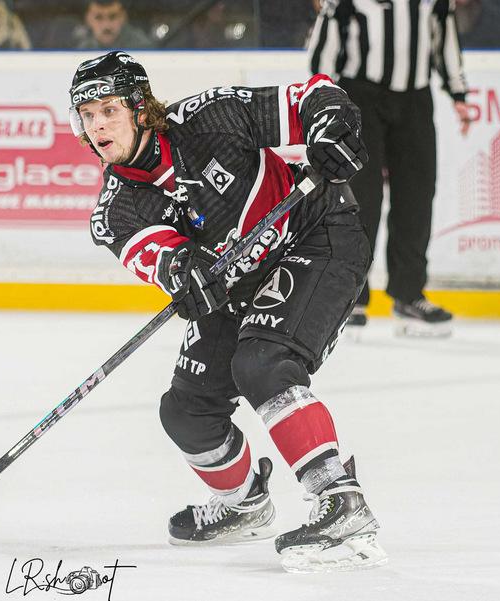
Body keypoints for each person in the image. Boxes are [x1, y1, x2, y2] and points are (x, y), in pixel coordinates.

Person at [69, 51, 386, 572]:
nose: (97, 125)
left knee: (262, 363)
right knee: (186, 412)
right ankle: (245, 503)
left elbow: (312, 98)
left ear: (141, 108)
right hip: (235, 287)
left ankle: (339, 498)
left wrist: (332, 126)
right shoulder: (116, 211)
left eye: (109, 110)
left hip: (317, 235)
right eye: (87, 115)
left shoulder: (210, 116)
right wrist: (184, 273)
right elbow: (164, 259)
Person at [308, 0, 471, 337]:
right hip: (360, 97)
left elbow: (444, 36)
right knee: (360, 199)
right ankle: (350, 295)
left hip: (415, 99)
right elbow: (325, 44)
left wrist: (458, 93)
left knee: (416, 196)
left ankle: (408, 293)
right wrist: (321, 98)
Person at [75, 0, 153, 49]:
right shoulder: (80, 46)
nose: (106, 25)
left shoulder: (142, 47)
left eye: (113, 16)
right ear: (87, 19)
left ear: (123, 17)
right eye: (98, 17)